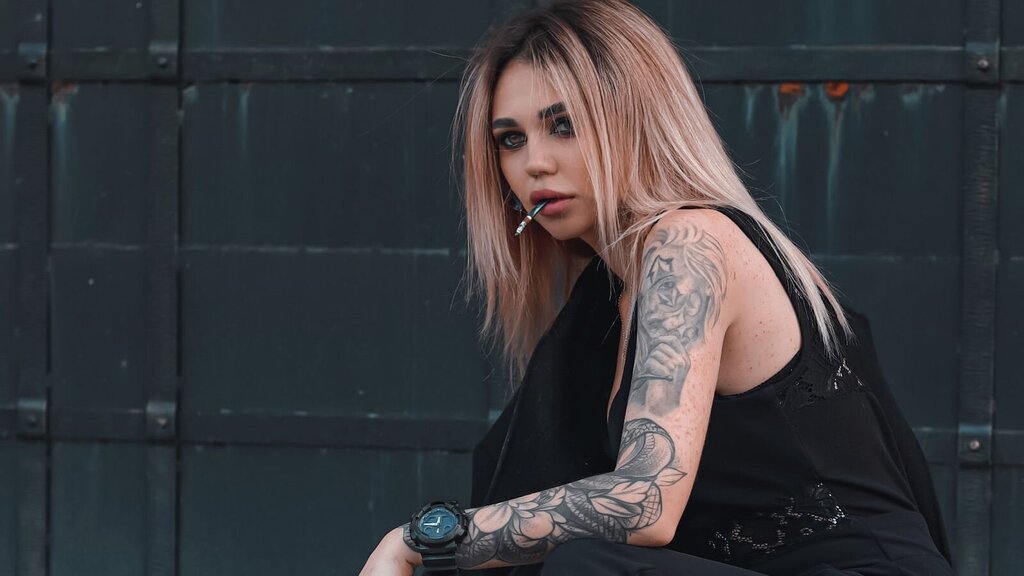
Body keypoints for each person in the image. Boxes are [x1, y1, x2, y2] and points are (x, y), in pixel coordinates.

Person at [360, 1, 955, 574]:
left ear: (638, 120)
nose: (535, 162)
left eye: (564, 125)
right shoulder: (606, 299)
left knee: (588, 566)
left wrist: (420, 541)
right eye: (511, 139)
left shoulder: (689, 243)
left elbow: (644, 500)